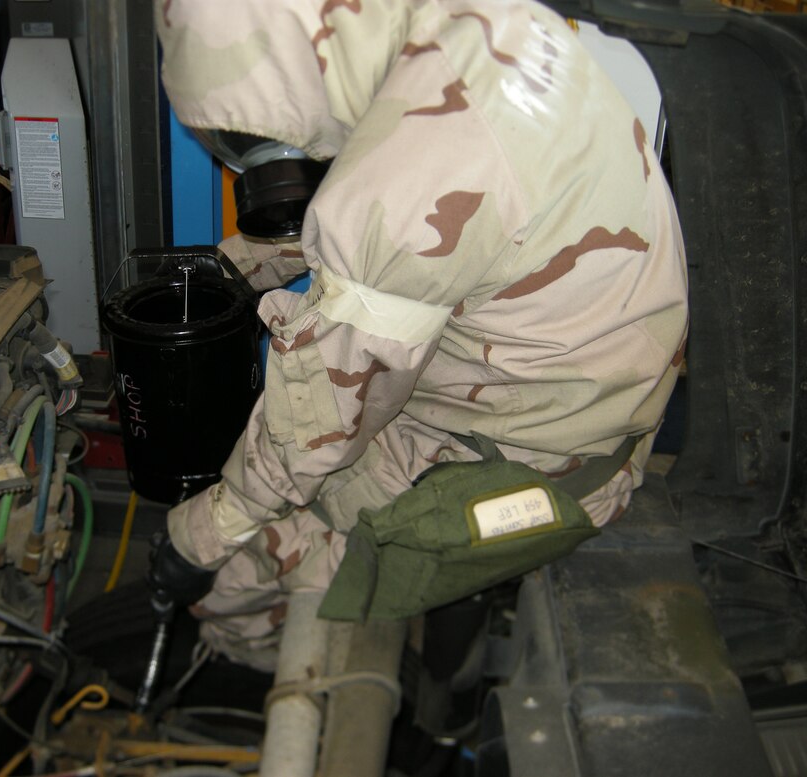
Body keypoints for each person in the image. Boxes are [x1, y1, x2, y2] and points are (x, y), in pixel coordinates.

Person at [148, 0, 688, 672]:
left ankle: (284, 695)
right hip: (593, 400)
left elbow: (318, 428)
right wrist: (237, 267)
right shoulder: (486, 26)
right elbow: (448, 230)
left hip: (532, 471)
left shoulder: (401, 180)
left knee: (236, 579)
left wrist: (196, 537)